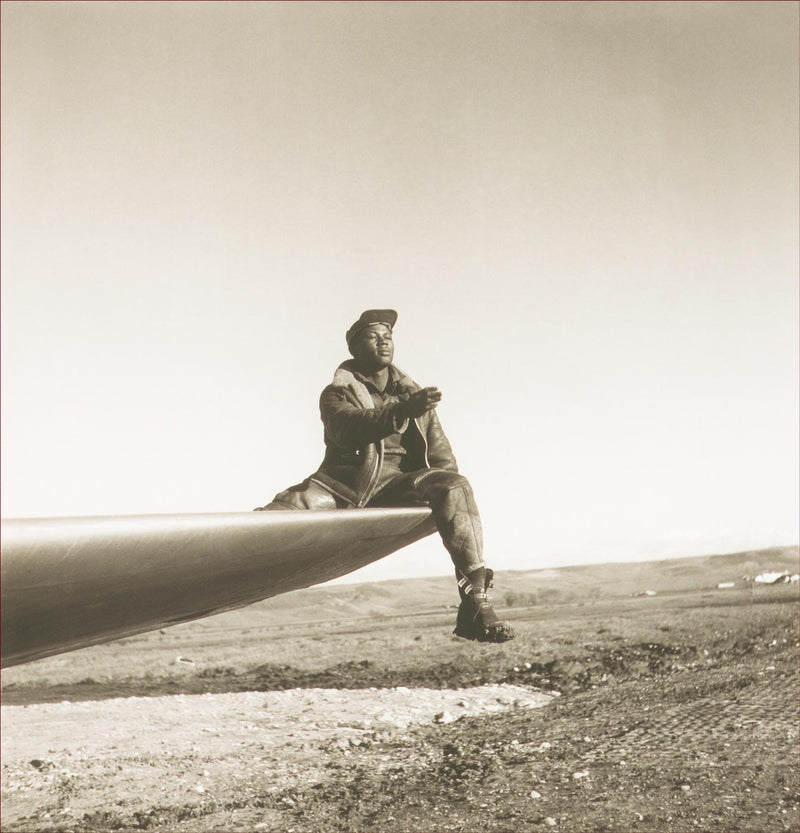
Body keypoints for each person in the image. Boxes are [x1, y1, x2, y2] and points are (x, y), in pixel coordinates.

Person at [255, 309, 514, 643]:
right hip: (343, 485)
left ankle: (476, 604)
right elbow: (346, 429)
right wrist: (401, 411)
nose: (384, 342)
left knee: (456, 486)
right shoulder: (337, 393)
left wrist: (452, 498)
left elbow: (439, 452)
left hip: (399, 484)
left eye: (388, 336)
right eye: (373, 337)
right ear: (354, 348)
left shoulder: (413, 394)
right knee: (274, 519)